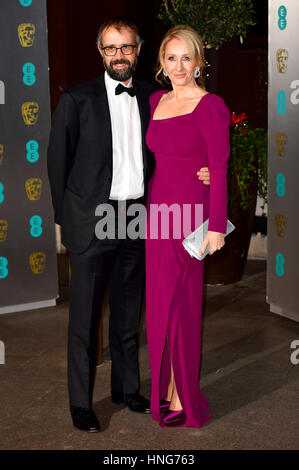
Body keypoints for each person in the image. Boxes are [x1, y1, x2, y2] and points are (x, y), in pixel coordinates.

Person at [47, 17, 211, 433]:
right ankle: (82, 403)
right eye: (110, 48)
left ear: (139, 50)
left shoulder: (154, 98)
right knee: (84, 320)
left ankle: (126, 388)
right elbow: (57, 165)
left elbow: (175, 148)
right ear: (100, 52)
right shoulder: (76, 100)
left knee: (127, 312)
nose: (119, 55)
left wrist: (204, 171)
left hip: (138, 216)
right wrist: (67, 223)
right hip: (92, 221)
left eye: (126, 47)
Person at [145, 25, 230, 427]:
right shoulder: (155, 100)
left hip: (191, 215)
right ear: (162, 61)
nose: (179, 66)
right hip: (158, 212)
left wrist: (215, 226)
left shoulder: (210, 104)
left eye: (186, 58)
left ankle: (182, 393)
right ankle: (166, 387)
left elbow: (218, 167)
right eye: (171, 57)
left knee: (185, 302)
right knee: (161, 301)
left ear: (199, 61)